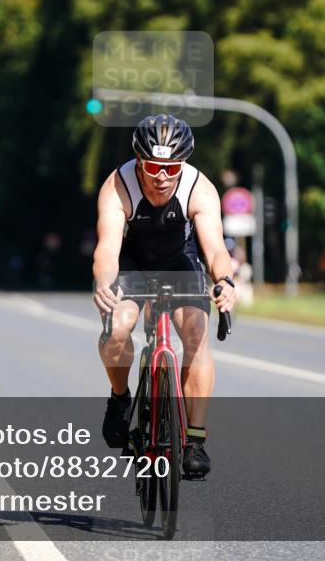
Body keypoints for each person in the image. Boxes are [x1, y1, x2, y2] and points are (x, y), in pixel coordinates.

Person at [92, 114, 237, 478]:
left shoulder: (199, 188)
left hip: (179, 260)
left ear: (183, 164)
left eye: (172, 168)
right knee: (117, 331)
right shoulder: (118, 185)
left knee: (195, 335)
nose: (162, 177)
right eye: (154, 166)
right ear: (140, 161)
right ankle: (120, 398)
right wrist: (104, 283)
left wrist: (225, 281)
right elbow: (107, 249)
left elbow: (216, 249)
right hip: (133, 261)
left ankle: (195, 440)